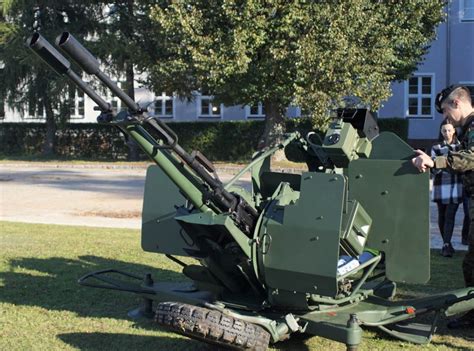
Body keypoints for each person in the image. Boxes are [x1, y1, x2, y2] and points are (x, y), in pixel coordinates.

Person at [412, 84, 474, 329]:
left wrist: (436, 160)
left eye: (447, 111)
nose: (447, 118)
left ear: (456, 103)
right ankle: (471, 313)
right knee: (470, 263)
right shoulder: (467, 127)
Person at [430, 121, 463, 257]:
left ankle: (445, 245)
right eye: (444, 131)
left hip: (455, 186)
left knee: (450, 216)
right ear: (441, 132)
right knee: (442, 216)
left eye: (449, 130)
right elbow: (433, 167)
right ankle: (447, 244)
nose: (447, 133)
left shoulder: (460, 146)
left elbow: (462, 165)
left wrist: (444, 165)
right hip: (440, 186)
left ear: (454, 131)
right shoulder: (436, 147)